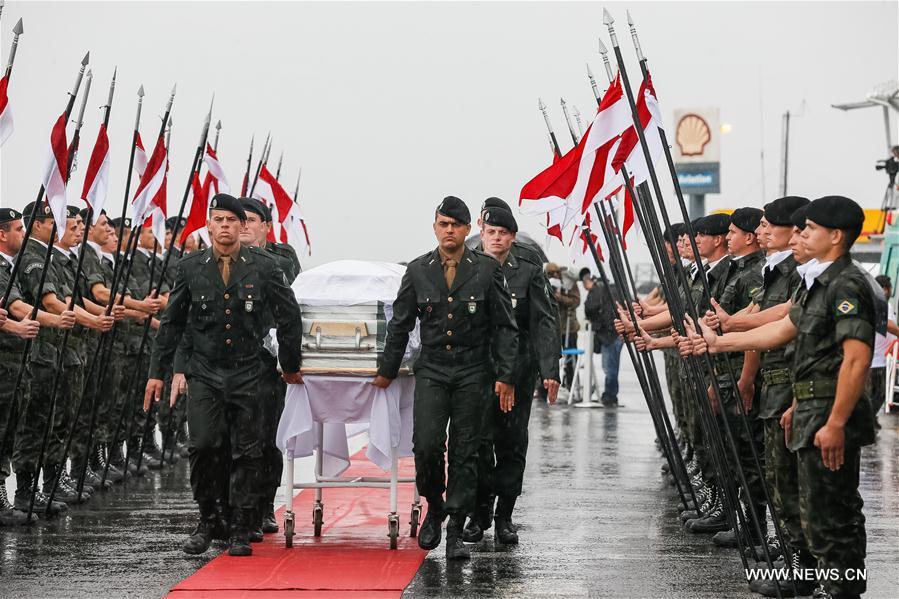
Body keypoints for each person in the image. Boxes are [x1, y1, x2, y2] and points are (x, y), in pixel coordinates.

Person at [688, 196, 876, 599]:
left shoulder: (846, 285)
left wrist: (837, 422)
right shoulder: (817, 284)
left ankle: (843, 591)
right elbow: (780, 332)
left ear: (836, 235)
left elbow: (857, 360)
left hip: (829, 412)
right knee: (809, 509)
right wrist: (719, 343)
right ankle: (810, 580)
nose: (800, 233)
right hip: (809, 408)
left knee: (833, 513)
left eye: (809, 228)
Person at [144, 193, 304, 557]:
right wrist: (159, 372)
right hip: (206, 371)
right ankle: (208, 518)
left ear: (243, 226)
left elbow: (289, 317)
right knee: (203, 445)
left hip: (251, 371)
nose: (226, 226)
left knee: (248, 451)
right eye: (219, 219)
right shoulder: (190, 266)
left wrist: (290, 365)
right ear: (209, 225)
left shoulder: (264, 266)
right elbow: (173, 323)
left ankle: (240, 526)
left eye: (233, 220)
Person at [372, 196, 518, 561]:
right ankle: (434, 506)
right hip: (434, 369)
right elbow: (401, 323)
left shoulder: (485, 270)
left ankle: (454, 525)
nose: (448, 230)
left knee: (466, 451)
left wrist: (506, 375)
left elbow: (504, 326)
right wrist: (386, 371)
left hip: (473, 371)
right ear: (435, 227)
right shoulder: (419, 270)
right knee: (426, 445)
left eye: (455, 225)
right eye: (442, 224)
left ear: (468, 229)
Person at [463, 205, 559, 545]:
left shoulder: (529, 271)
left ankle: (505, 516)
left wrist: (550, 370)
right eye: (491, 232)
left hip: (518, 371)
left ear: (512, 237)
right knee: (476, 444)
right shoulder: (467, 266)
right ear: (482, 232)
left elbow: (544, 321)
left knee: (512, 443)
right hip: (479, 372)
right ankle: (479, 511)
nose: (497, 238)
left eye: (503, 233)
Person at [580, 266, 623, 406]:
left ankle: (609, 396)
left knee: (609, 366)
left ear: (587, 281)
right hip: (618, 331)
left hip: (608, 333)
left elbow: (589, 309)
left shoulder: (596, 289)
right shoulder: (613, 287)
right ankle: (611, 394)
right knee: (613, 366)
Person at [545, 262, 579, 390]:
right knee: (547, 359)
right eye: (550, 275)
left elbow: (576, 301)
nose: (554, 277)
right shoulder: (542, 282)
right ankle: (544, 387)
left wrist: (561, 298)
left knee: (571, 358)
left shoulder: (569, 283)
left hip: (568, 328)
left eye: (555, 274)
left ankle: (571, 384)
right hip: (550, 327)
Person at [868, 274, 897, 423]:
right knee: (878, 393)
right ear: (886, 289)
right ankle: (868, 422)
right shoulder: (881, 303)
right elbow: (887, 326)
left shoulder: (878, 303)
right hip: (878, 359)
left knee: (876, 393)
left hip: (880, 357)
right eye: (891, 288)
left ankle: (870, 421)